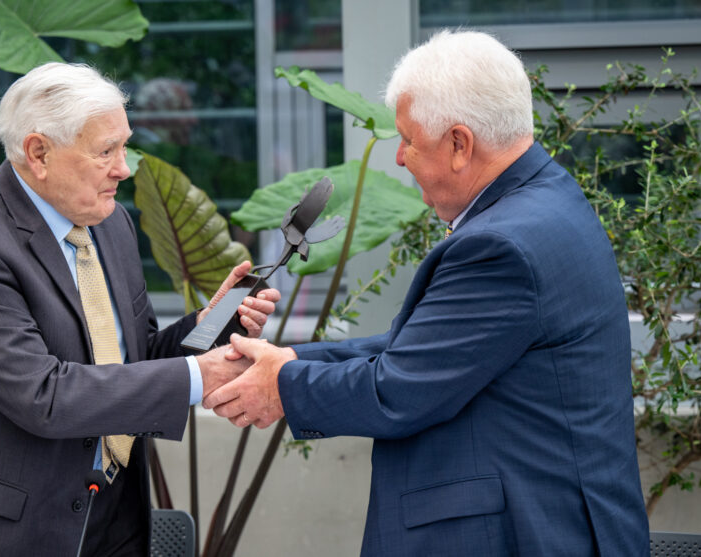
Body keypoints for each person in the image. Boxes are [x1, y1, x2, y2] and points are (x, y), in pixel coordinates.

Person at [204, 30, 650, 556]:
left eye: (409, 140)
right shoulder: (547, 200)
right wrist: (291, 359)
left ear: (460, 144)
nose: (399, 158)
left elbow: (399, 389)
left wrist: (283, 385)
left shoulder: (501, 245)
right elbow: (428, 349)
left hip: (524, 534)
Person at [0, 62, 279, 557]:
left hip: (111, 515)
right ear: (39, 153)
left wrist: (208, 325)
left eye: (124, 147)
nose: (124, 168)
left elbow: (132, 359)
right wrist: (198, 375)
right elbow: (42, 395)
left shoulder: (110, 221)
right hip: (5, 531)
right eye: (106, 151)